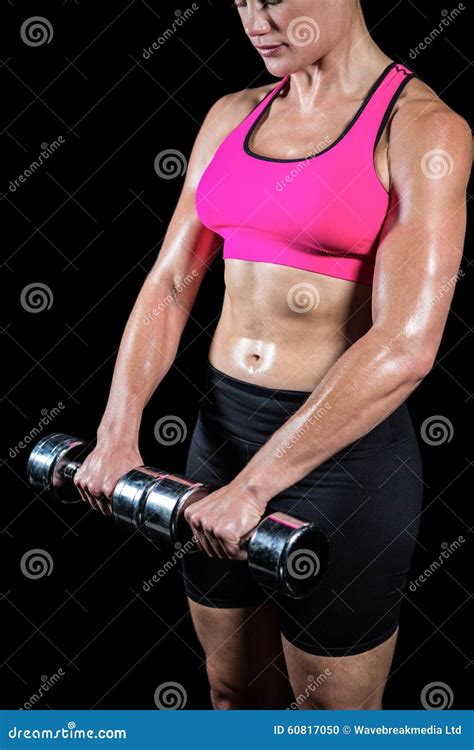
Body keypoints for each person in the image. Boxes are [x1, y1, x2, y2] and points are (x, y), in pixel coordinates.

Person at [74, 0, 471, 710]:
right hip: (220, 437)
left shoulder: (421, 129)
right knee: (233, 693)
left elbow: (407, 344)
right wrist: (117, 429)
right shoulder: (234, 115)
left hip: (342, 466)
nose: (255, 18)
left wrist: (257, 488)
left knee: (331, 722)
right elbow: (170, 282)